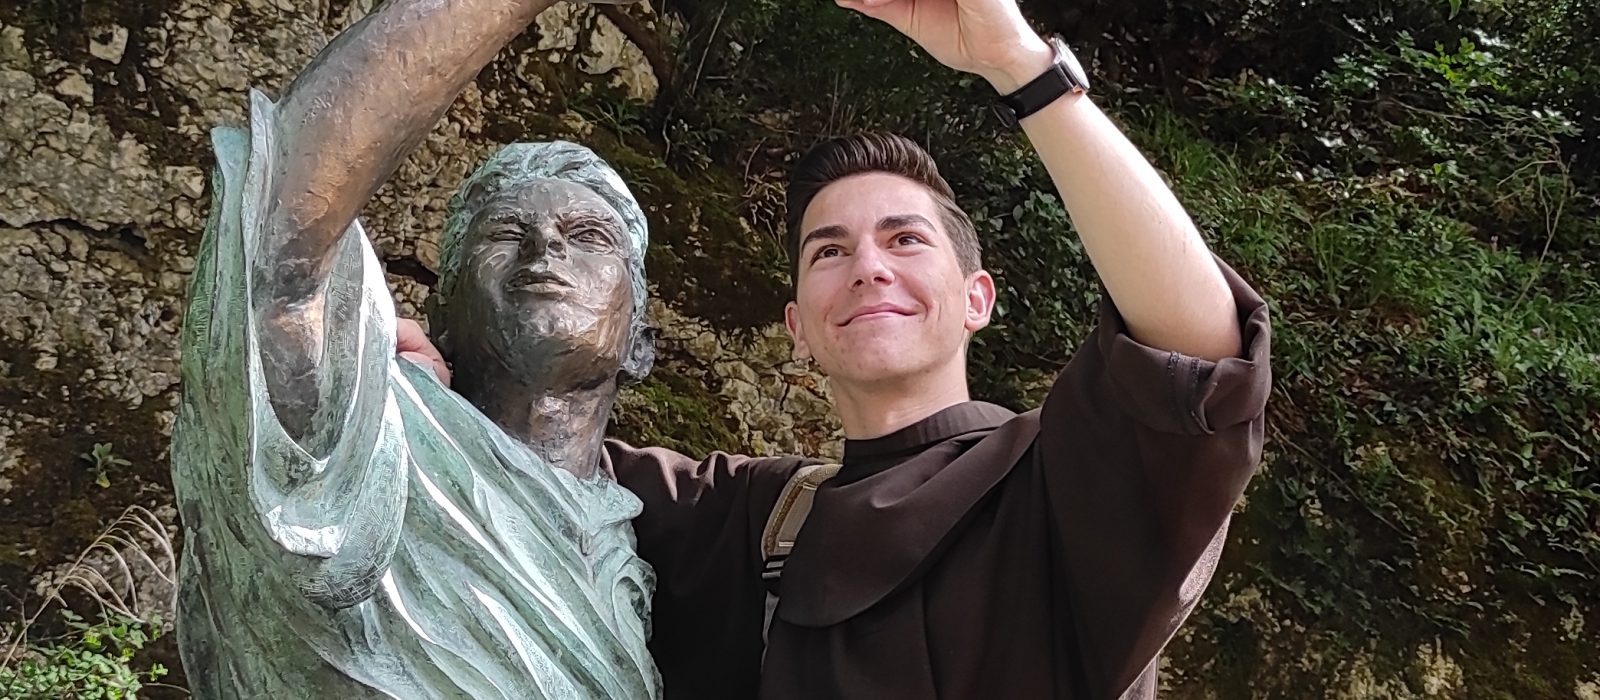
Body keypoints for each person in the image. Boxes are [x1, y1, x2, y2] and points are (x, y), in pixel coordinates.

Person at [397, 0, 1272, 695]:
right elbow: (534, 431)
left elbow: (1198, 352)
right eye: (829, 251)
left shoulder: (1055, 489)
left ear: (978, 299)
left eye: (905, 240)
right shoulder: (744, 517)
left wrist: (1021, 66)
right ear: (798, 326)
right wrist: (418, 381)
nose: (867, 268)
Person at [170, 0, 668, 696]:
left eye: (588, 236)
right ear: (441, 317)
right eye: (505, 233)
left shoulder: (632, 558)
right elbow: (279, 251)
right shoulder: (369, 447)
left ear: (641, 342)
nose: (545, 247)